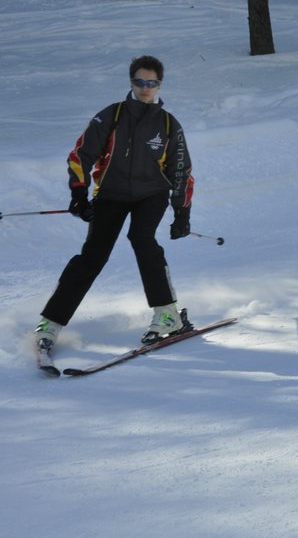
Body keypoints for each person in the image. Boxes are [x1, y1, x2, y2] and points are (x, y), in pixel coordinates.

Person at [34, 55, 195, 362]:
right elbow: (79, 155)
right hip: (112, 194)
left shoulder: (168, 124)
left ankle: (167, 315)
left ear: (160, 84)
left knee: (142, 239)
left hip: (152, 194)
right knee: (93, 254)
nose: (145, 88)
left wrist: (182, 212)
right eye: (139, 82)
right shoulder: (112, 115)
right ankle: (49, 324)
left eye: (152, 83)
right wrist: (79, 194)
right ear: (131, 82)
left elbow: (181, 171)